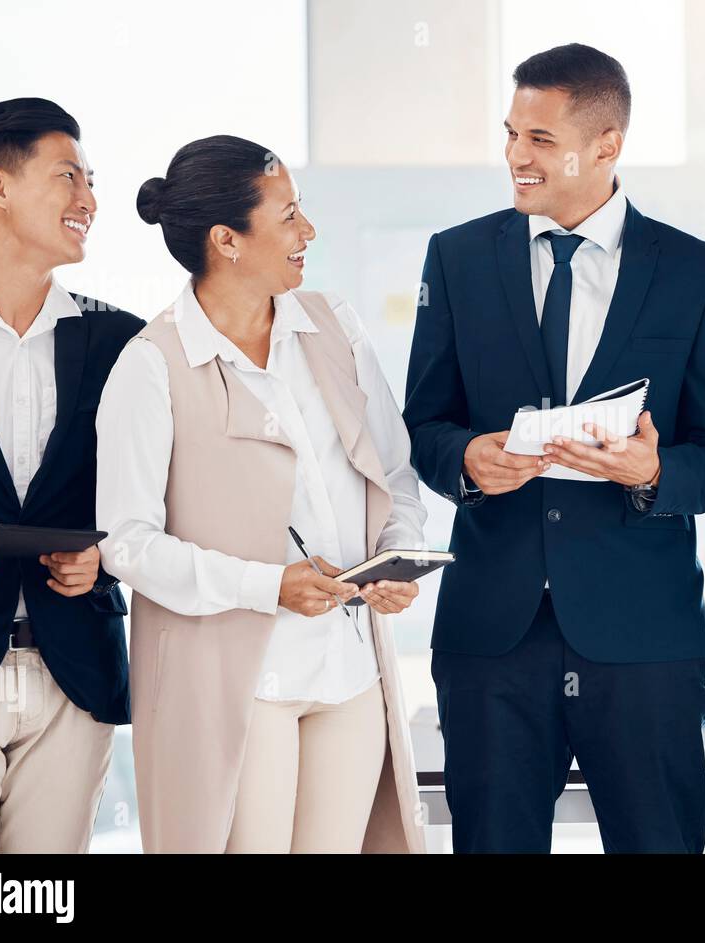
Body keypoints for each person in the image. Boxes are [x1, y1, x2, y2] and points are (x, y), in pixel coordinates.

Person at [403, 43, 705, 853]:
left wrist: (655, 471)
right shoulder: (456, 259)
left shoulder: (697, 271)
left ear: (606, 145)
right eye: (510, 134)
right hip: (492, 636)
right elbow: (423, 427)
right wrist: (465, 461)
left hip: (643, 639)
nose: (516, 157)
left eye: (539, 138)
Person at [96, 135, 427, 853]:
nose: (308, 232)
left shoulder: (333, 323)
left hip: (349, 669)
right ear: (228, 240)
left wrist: (396, 553)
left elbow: (394, 471)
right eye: (287, 216)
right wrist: (266, 586)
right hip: (239, 682)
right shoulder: (151, 365)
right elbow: (126, 542)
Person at [0, 98, 141, 852]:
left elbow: (153, 496)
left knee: (39, 902)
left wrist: (105, 557)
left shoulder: (122, 340)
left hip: (71, 673)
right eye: (68, 176)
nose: (89, 200)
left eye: (91, 180)